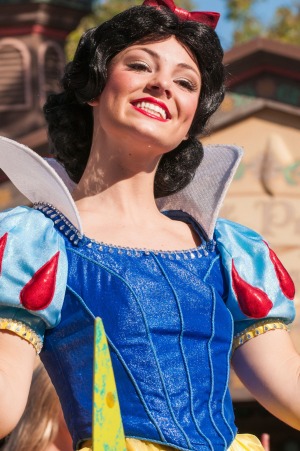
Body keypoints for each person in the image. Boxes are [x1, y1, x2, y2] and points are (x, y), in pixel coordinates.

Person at [0, 1, 299, 450]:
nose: (162, 85)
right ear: (95, 87)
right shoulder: (37, 243)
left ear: (190, 121)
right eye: (140, 65)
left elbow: (288, 388)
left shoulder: (230, 250)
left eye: (185, 82)